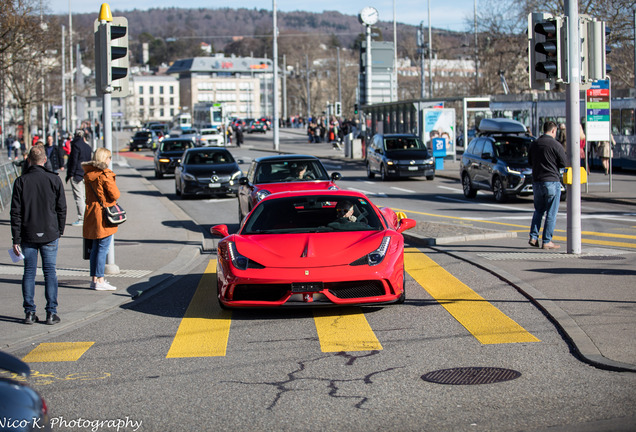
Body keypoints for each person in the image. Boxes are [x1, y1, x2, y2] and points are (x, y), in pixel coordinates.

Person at [10, 145, 67, 325]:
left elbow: (15, 213)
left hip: (27, 234)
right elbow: (62, 209)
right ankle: (51, 313)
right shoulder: (54, 180)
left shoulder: (20, 182)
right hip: (50, 232)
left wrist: (16, 239)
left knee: (29, 272)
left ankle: (29, 312)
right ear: (44, 160)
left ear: (29, 160)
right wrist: (59, 230)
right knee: (50, 272)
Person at [83, 148, 120, 291]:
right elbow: (115, 194)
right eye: (109, 157)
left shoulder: (89, 173)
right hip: (103, 215)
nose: (110, 160)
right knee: (103, 248)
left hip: (91, 212)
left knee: (94, 248)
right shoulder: (104, 175)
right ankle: (100, 280)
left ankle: (94, 280)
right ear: (105, 159)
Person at [528, 121, 566, 250]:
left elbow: (529, 161)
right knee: (551, 212)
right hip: (551, 181)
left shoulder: (534, 144)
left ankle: (533, 237)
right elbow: (564, 162)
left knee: (538, 210)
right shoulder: (556, 145)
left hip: (537, 181)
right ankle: (547, 241)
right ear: (554, 130)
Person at [66, 129, 93, 226]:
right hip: (86, 173)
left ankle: (82, 218)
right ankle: (88, 217)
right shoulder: (87, 147)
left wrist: (70, 174)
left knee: (79, 197)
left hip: (77, 173)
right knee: (85, 196)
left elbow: (73, 160)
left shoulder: (75, 145)